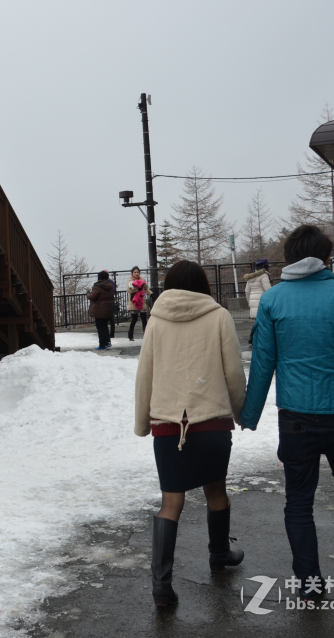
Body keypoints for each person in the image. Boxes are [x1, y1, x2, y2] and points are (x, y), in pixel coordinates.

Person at [240, 225, 334, 600]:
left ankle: (308, 583)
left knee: (298, 499)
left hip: (296, 418)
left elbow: (263, 363)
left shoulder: (273, 301)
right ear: (325, 256)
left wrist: (249, 414)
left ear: (291, 256)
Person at [135, 260, 247, 607]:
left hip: (168, 423)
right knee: (216, 491)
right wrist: (242, 413)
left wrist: (143, 423)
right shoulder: (218, 316)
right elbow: (232, 371)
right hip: (211, 420)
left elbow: (146, 375)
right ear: (202, 284)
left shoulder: (156, 320)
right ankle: (219, 554)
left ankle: (161, 584)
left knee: (171, 500)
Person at [244, 258, 271, 346]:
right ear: (264, 266)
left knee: (258, 321)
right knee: (263, 321)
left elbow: (247, 291)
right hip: (262, 301)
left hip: (253, 301)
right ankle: (253, 338)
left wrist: (250, 301)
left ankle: (252, 338)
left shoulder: (250, 277)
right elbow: (268, 290)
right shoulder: (264, 275)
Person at [86, 271, 116, 350]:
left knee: (100, 328)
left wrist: (88, 293)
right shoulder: (110, 286)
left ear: (99, 278)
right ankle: (106, 342)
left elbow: (92, 297)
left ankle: (102, 345)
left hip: (100, 310)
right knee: (105, 327)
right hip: (108, 309)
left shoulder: (98, 287)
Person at [126, 266, 151, 340]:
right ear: (132, 273)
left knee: (144, 319)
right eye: (135, 272)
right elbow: (129, 290)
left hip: (141, 301)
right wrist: (138, 288)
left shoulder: (142, 280)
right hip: (134, 302)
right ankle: (130, 335)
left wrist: (151, 294)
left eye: (137, 272)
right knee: (134, 319)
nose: (136, 273)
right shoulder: (130, 281)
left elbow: (146, 288)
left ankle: (146, 335)